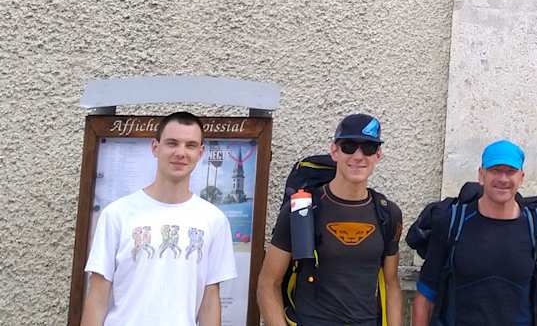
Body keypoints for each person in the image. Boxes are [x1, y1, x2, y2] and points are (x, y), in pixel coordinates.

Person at [81, 111, 236, 326]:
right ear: (155, 147)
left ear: (200, 153)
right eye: (172, 143)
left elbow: (210, 301)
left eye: (190, 145)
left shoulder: (214, 220)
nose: (181, 153)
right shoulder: (117, 214)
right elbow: (98, 297)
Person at [257, 113, 404, 326]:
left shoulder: (388, 214)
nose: (358, 156)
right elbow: (268, 283)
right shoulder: (301, 209)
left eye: (369, 148)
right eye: (349, 146)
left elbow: (391, 284)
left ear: (378, 155)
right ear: (334, 151)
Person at [412, 140, 537, 326]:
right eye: (495, 170)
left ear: (521, 177)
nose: (503, 179)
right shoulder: (451, 222)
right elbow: (425, 295)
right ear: (481, 175)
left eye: (510, 171)